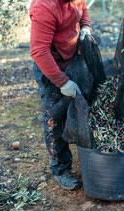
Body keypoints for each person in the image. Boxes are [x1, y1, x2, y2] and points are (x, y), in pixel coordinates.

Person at [30, 0, 91, 190]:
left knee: (81, 107)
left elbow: (83, 10)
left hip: (72, 60)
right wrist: (62, 82)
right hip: (51, 67)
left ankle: (85, 154)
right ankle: (61, 168)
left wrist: (86, 27)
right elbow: (39, 52)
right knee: (53, 118)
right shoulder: (44, 6)